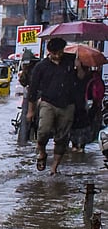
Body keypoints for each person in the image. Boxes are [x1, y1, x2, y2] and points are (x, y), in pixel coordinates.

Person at [26, 37, 86, 175]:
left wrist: (79, 67)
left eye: (60, 52)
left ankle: (54, 168)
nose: (58, 56)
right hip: (48, 103)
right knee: (43, 131)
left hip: (68, 104)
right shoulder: (41, 67)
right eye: (55, 53)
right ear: (50, 52)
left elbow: (82, 78)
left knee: (62, 137)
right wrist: (30, 111)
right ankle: (41, 153)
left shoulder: (71, 61)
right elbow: (33, 89)